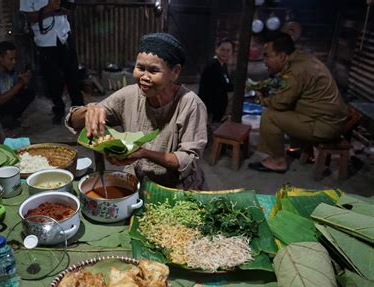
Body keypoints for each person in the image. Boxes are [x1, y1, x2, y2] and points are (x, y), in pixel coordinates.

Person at [66, 33, 208, 190]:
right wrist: (89, 111)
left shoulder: (191, 104)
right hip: (138, 181)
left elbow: (189, 160)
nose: (144, 77)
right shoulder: (130, 94)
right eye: (140, 68)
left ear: (175, 72)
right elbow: (74, 121)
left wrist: (144, 153)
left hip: (177, 187)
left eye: (153, 71)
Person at [248, 32, 348, 173]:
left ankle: (278, 161)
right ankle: (301, 150)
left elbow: (279, 103)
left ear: (282, 56)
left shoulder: (296, 70)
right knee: (290, 110)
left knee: (270, 116)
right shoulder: (302, 58)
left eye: (267, 55)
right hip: (329, 120)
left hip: (325, 125)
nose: (264, 61)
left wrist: (261, 99)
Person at [20, 0, 84, 124]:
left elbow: (71, 7)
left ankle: (79, 111)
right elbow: (29, 17)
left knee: (73, 76)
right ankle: (59, 110)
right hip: (45, 41)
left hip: (65, 36)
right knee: (52, 80)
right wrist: (48, 8)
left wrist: (64, 7)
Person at [0, 41, 35, 129]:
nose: (14, 62)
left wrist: (24, 81)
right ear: (0, 58)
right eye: (10, 59)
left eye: (15, 58)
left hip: (7, 104)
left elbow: (15, 89)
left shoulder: (10, 71)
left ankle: (11, 119)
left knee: (29, 93)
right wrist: (20, 84)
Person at [198, 38, 234, 123]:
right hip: (210, 110)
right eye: (222, 50)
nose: (225, 53)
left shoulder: (223, 65)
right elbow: (225, 86)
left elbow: (228, 83)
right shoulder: (213, 66)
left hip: (218, 110)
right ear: (216, 49)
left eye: (228, 50)